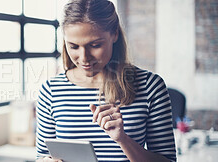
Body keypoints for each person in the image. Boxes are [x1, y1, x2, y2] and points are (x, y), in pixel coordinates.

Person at [35, 0, 177, 161]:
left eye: (95, 45)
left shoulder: (150, 87)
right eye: (74, 46)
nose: (84, 58)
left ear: (114, 34)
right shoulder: (51, 91)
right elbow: (42, 156)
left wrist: (122, 139)